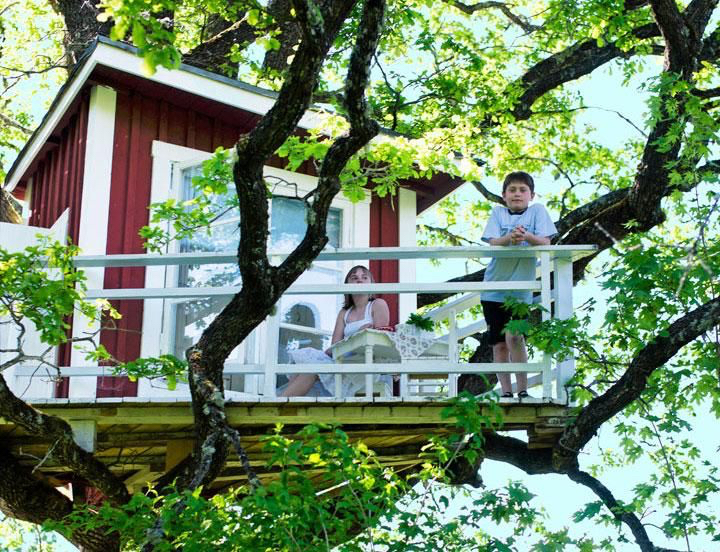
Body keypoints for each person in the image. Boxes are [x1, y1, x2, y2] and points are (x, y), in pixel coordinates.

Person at [480, 171, 557, 399]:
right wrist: (509, 239)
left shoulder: (538, 211)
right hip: (493, 289)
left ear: (531, 195)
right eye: (512, 190)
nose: (517, 194)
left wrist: (526, 237)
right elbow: (493, 242)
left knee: (515, 336)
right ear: (504, 195)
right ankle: (506, 392)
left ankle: (522, 389)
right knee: (499, 343)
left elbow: (546, 242)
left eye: (522, 190)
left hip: (521, 291)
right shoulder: (498, 213)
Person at [280, 265, 391, 397]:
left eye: (364, 277)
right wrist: (357, 335)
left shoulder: (377, 304)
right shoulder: (344, 312)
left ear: (371, 283)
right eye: (354, 278)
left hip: (365, 364)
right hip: (343, 360)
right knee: (307, 363)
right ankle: (285, 403)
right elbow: (335, 346)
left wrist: (362, 336)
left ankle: (280, 404)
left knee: (314, 368)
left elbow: (381, 340)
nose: (359, 281)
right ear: (347, 285)